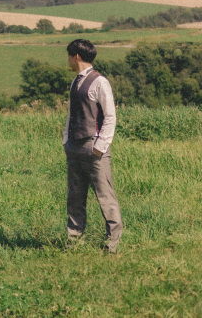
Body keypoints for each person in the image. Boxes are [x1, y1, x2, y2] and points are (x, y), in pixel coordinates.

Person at [64, 39, 123, 253]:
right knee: (75, 197)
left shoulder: (100, 82)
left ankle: (112, 244)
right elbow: (72, 115)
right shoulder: (74, 82)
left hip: (94, 148)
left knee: (105, 197)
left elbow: (110, 116)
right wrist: (66, 141)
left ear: (77, 56)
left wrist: (100, 147)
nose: (68, 60)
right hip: (74, 147)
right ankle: (74, 242)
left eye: (69, 56)